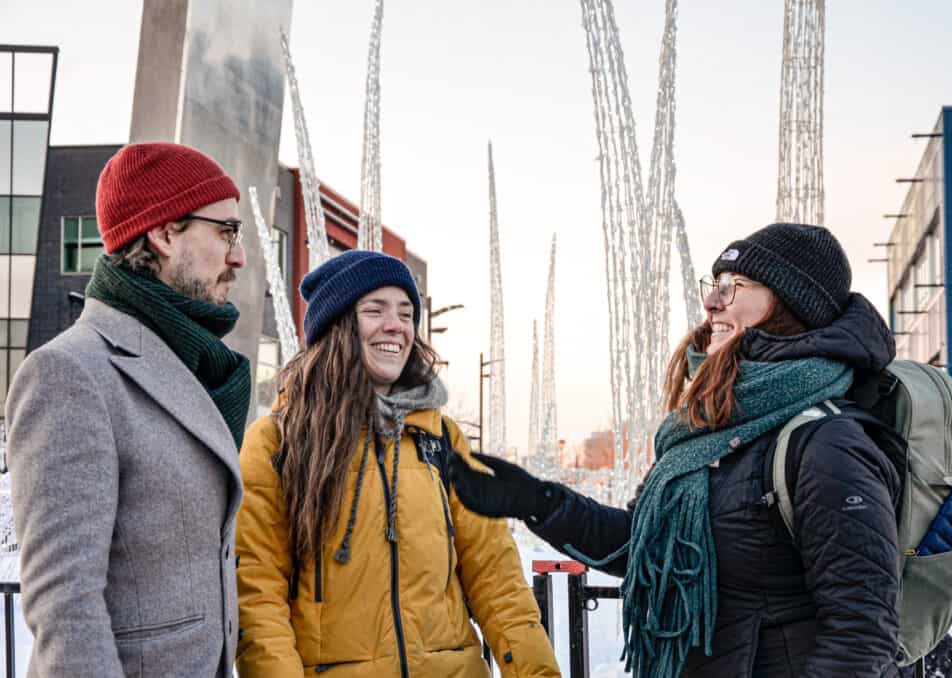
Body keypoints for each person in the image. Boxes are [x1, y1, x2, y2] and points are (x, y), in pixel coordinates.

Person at [452, 223, 903, 677]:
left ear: (789, 305)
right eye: (715, 285)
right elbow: (641, 546)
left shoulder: (827, 443)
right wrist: (539, 502)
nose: (712, 302)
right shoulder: (704, 431)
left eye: (735, 286)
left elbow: (862, 633)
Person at [234, 250, 560, 677]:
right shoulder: (278, 442)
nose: (397, 326)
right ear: (337, 326)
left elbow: (497, 581)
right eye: (375, 310)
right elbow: (257, 600)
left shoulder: (443, 441)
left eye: (406, 313)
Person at [6, 142, 249, 677]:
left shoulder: (195, 366)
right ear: (165, 233)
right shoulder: (70, 373)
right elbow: (65, 610)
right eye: (226, 232)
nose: (240, 256)